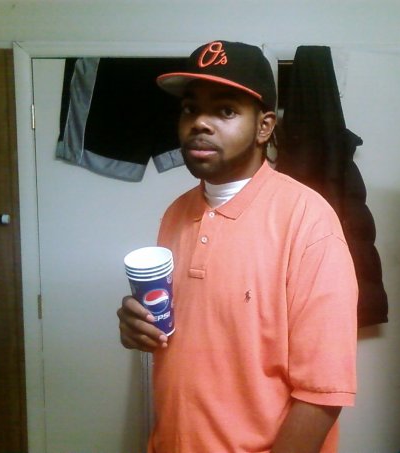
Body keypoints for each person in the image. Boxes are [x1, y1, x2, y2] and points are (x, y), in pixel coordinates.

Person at [117, 40, 358, 453]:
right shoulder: (175, 214)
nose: (200, 123)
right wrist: (136, 326)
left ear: (264, 127)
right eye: (190, 109)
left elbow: (322, 394)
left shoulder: (308, 221)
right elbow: (191, 331)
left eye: (225, 111)